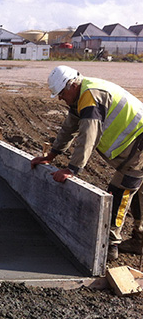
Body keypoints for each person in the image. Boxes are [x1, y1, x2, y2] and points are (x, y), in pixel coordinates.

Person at [31, 65, 143, 261]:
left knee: (120, 191)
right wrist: (52, 155)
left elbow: (88, 134)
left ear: (71, 85)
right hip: (135, 145)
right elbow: (69, 128)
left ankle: (110, 246)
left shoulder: (90, 96)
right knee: (139, 192)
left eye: (61, 94)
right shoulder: (80, 97)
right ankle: (139, 240)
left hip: (139, 145)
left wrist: (73, 169)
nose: (60, 98)